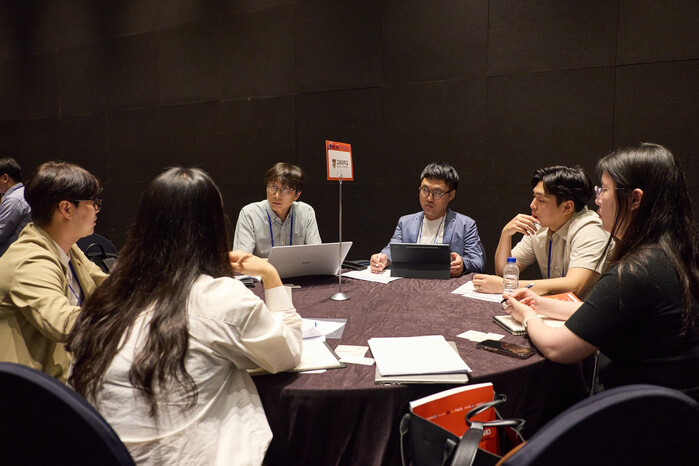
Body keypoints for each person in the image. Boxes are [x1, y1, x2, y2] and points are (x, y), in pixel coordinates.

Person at [67, 167, 303, 466]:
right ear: (214, 227)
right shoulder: (221, 297)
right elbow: (288, 353)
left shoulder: (107, 296)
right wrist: (270, 274)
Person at [504, 143, 699, 399]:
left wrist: (528, 316)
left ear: (635, 199)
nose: (597, 199)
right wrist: (540, 304)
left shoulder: (637, 270)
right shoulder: (672, 253)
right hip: (677, 405)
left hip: (645, 410)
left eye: (604, 190)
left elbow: (557, 348)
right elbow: (604, 312)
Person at [0, 161, 106, 381]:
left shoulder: (67, 246)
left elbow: (107, 285)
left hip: (64, 374)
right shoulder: (29, 261)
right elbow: (64, 323)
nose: (97, 209)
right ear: (66, 208)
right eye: (93, 202)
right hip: (30, 389)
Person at [472, 166, 608, 298]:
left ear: (567, 207)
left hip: (586, 311)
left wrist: (508, 286)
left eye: (541, 200)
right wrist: (506, 234)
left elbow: (574, 286)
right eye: (534, 197)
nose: (532, 205)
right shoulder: (539, 227)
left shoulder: (590, 229)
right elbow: (504, 273)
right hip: (554, 307)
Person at [371, 161, 485, 277]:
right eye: (425, 190)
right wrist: (384, 258)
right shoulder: (405, 223)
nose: (429, 198)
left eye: (437, 192)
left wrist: (463, 265)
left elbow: (478, 262)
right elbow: (392, 250)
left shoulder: (466, 225)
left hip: (446, 285)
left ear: (451, 195)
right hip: (409, 283)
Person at [233, 162, 321, 258]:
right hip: (262, 269)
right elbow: (241, 259)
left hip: (296, 269)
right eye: (273, 187)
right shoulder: (249, 214)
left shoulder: (306, 212)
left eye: (285, 189)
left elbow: (316, 255)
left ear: (297, 195)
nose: (277, 196)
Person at [0, 158, 32, 256]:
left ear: (5, 178)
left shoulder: (14, 199)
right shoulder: (23, 193)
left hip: (11, 257)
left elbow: (1, 234)